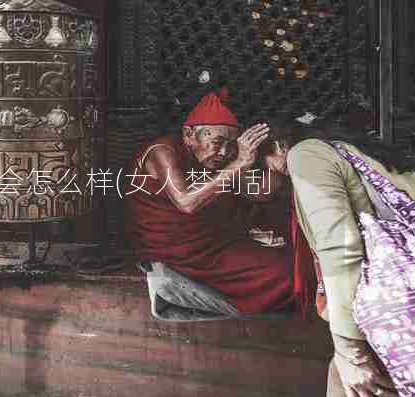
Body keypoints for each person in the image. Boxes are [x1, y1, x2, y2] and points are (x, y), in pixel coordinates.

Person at [259, 116, 415, 397]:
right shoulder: (381, 160)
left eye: (266, 165)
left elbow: (340, 250)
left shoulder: (305, 154)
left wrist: (351, 351)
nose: (273, 174)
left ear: (276, 147)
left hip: (386, 340)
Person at [125, 90, 297, 315]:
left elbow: (259, 193)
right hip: (178, 252)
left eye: (230, 145)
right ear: (189, 134)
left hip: (213, 241)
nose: (224, 152)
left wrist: (275, 165)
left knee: (290, 260)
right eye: (217, 142)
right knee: (283, 271)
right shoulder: (163, 152)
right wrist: (237, 165)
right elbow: (187, 202)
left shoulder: (219, 156)